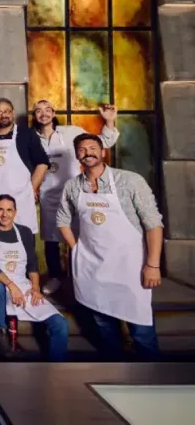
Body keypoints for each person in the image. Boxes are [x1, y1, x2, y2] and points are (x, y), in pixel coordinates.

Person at [57, 133, 163, 361]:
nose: (88, 153)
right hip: (93, 269)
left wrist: (153, 265)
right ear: (77, 155)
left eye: (92, 148)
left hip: (130, 267)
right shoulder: (72, 186)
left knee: (141, 330)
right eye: (82, 150)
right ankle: (115, 371)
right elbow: (62, 221)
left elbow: (153, 224)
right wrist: (77, 249)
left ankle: (153, 375)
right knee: (104, 327)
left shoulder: (130, 181)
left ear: (103, 152)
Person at [32, 101, 120, 295]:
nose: (43, 114)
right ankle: (55, 277)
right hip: (48, 195)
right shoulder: (31, 138)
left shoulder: (71, 132)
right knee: (51, 240)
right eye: (39, 111)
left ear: (53, 113)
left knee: (81, 236)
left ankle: (83, 277)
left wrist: (109, 121)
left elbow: (102, 143)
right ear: (35, 115)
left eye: (47, 110)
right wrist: (33, 187)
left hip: (75, 193)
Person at [0, 195, 68, 361]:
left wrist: (35, 288)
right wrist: (11, 286)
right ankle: (0, 332)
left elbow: (32, 263)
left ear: (15, 212)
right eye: (0, 209)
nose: (4, 214)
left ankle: (56, 367)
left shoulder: (25, 232)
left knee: (60, 324)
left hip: (23, 284)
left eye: (9, 210)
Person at [0, 98, 50, 234]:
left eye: (7, 111)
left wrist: (31, 188)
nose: (4, 115)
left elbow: (42, 163)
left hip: (20, 196)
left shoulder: (26, 135)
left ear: (13, 113)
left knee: (22, 236)